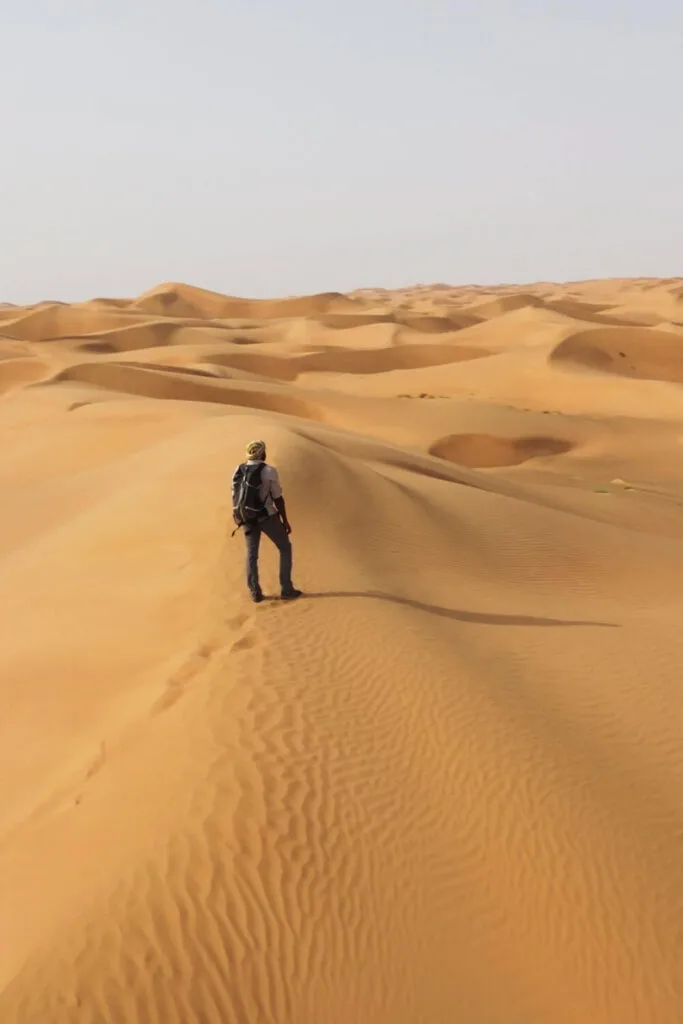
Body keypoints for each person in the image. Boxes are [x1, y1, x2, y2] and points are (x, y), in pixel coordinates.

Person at [231, 439, 302, 603]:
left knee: (251, 554)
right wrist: (285, 520)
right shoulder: (269, 471)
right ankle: (286, 588)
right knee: (285, 547)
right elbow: (278, 498)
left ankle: (254, 591)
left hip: (246, 518)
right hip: (266, 516)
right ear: (262, 453)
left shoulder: (238, 470)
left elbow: (234, 495)